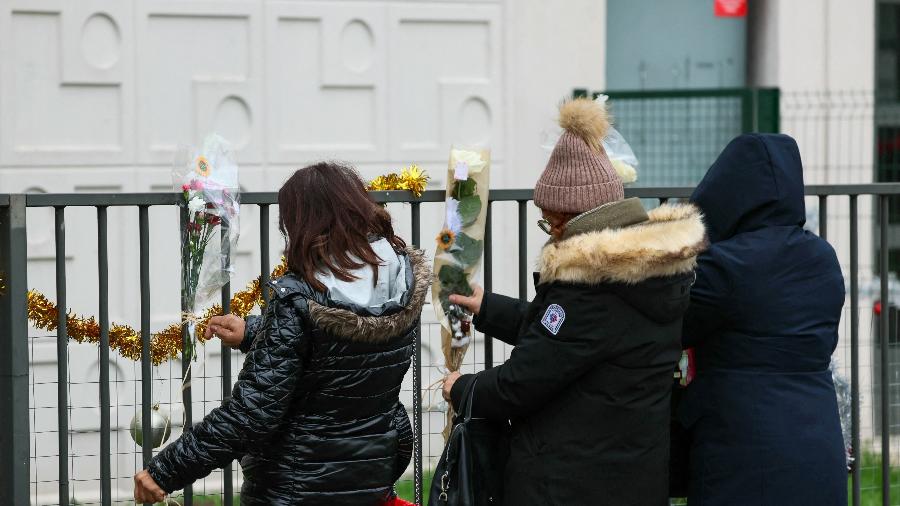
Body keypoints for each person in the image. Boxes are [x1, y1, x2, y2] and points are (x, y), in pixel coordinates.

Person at [441, 97, 707, 505]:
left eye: (550, 221)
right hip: (631, 476)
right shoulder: (646, 273)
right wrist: (488, 307)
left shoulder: (590, 288)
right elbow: (565, 337)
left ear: (570, 219)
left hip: (572, 483)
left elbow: (522, 382)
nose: (549, 233)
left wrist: (463, 388)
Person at [134, 162, 430, 505]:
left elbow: (250, 413)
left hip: (296, 488)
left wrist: (165, 469)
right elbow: (338, 348)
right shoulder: (397, 279)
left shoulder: (301, 296)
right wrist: (253, 331)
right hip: (368, 479)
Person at [675, 134, 847, 505]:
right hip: (819, 443)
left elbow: (672, 325)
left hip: (743, 451)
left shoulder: (725, 266)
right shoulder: (823, 258)